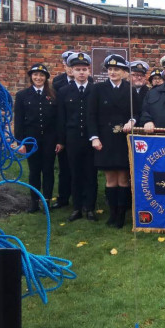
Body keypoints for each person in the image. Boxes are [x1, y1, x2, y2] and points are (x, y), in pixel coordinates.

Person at [88, 54, 140, 228]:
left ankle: (121, 216)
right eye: (110, 69)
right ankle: (112, 213)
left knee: (123, 179)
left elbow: (137, 113)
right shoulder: (98, 89)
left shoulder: (130, 89)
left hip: (123, 139)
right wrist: (94, 138)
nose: (112, 72)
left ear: (124, 72)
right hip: (105, 139)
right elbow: (91, 115)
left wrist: (132, 121)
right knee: (110, 179)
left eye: (116, 69)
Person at [56, 52, 98, 222]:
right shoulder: (64, 91)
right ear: (71, 71)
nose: (81, 72)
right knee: (74, 173)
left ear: (89, 71)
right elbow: (61, 117)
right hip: (72, 137)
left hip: (90, 137)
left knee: (91, 173)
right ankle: (77, 207)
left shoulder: (95, 90)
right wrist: (61, 140)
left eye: (84, 69)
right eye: (78, 69)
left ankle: (90, 207)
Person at [14, 64, 58, 212]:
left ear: (46, 78)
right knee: (34, 170)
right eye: (35, 75)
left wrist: (59, 140)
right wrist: (20, 142)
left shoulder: (52, 94)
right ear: (31, 77)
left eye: (41, 75)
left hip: (49, 139)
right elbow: (19, 121)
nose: (38, 78)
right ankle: (34, 202)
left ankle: (46, 200)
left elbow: (58, 120)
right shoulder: (22, 95)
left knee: (48, 170)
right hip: (31, 139)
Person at [51, 50, 76, 210]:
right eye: (68, 65)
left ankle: (79, 197)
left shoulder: (89, 81)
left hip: (78, 130)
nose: (70, 68)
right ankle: (63, 197)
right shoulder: (58, 82)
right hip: (63, 129)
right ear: (64, 66)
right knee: (64, 168)